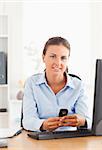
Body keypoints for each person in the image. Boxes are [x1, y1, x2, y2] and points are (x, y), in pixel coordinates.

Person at [22, 36, 91, 132]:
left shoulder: (78, 85)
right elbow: (27, 121)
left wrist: (81, 121)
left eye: (63, 58)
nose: (58, 63)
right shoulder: (32, 83)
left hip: (71, 140)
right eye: (52, 56)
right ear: (43, 57)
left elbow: (88, 120)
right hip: (41, 139)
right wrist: (43, 125)